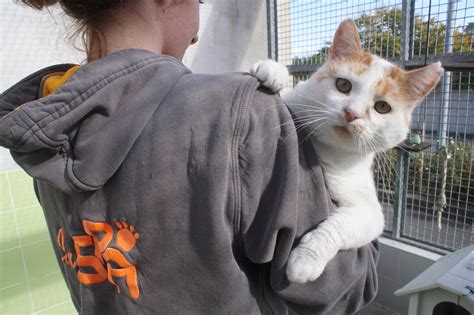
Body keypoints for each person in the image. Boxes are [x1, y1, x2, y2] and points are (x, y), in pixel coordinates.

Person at [0, 0, 379, 313]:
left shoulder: (46, 119)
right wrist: (360, 210)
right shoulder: (242, 111)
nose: (197, 32)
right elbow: (340, 290)